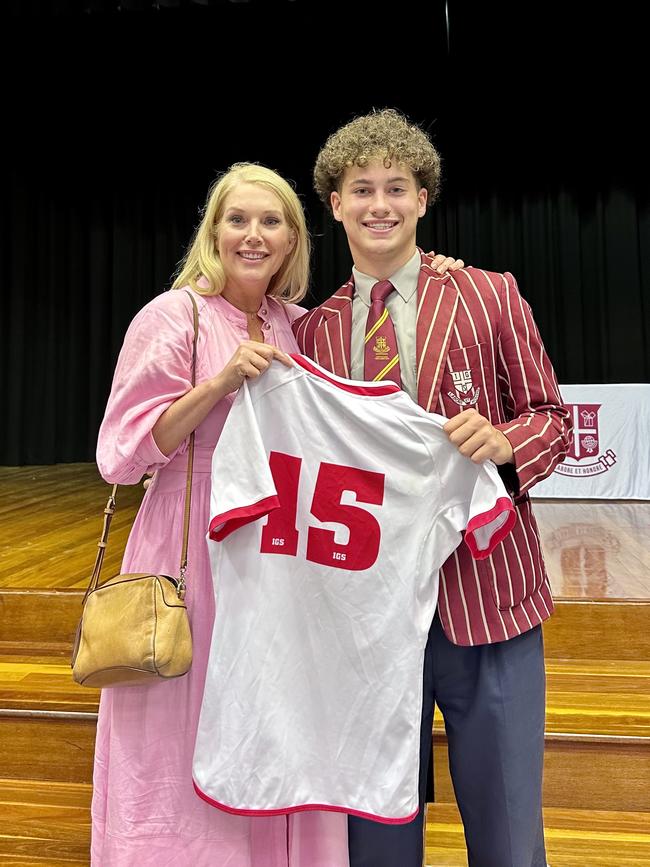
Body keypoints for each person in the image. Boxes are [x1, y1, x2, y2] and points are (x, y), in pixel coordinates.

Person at [95, 160, 459, 866]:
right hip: (191, 549)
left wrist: (433, 270)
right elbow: (120, 457)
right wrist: (220, 383)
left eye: (271, 222)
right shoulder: (174, 318)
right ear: (214, 232)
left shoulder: (299, 325)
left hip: (278, 558)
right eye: (238, 220)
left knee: (277, 715)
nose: (253, 235)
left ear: (293, 240)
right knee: (185, 729)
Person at [293, 109, 573, 867]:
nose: (379, 204)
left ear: (423, 199)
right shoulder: (312, 333)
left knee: (510, 835)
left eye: (396, 187)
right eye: (361, 189)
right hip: (365, 620)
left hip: (490, 602)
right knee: (377, 839)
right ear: (336, 204)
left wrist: (506, 443)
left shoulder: (488, 294)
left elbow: (552, 416)